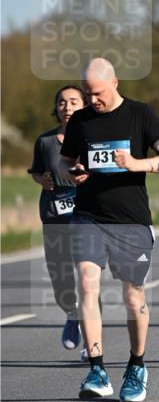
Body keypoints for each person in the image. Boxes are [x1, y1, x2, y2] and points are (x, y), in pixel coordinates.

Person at [60, 59, 159, 401]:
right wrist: (73, 171)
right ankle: (97, 369)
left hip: (130, 220)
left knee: (132, 296)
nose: (91, 99)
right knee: (86, 283)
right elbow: (66, 161)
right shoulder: (81, 120)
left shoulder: (141, 114)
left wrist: (136, 163)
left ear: (114, 82)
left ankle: (137, 365)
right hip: (88, 215)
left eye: (96, 93)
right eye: (86, 93)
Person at [29, 85, 86, 352]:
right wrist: (42, 180)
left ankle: (93, 340)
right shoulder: (45, 141)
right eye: (62, 102)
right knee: (60, 277)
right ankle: (72, 315)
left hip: (87, 215)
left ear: (84, 106)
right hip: (54, 216)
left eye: (74, 101)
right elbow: (36, 171)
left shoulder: (92, 138)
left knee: (88, 276)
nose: (67, 107)